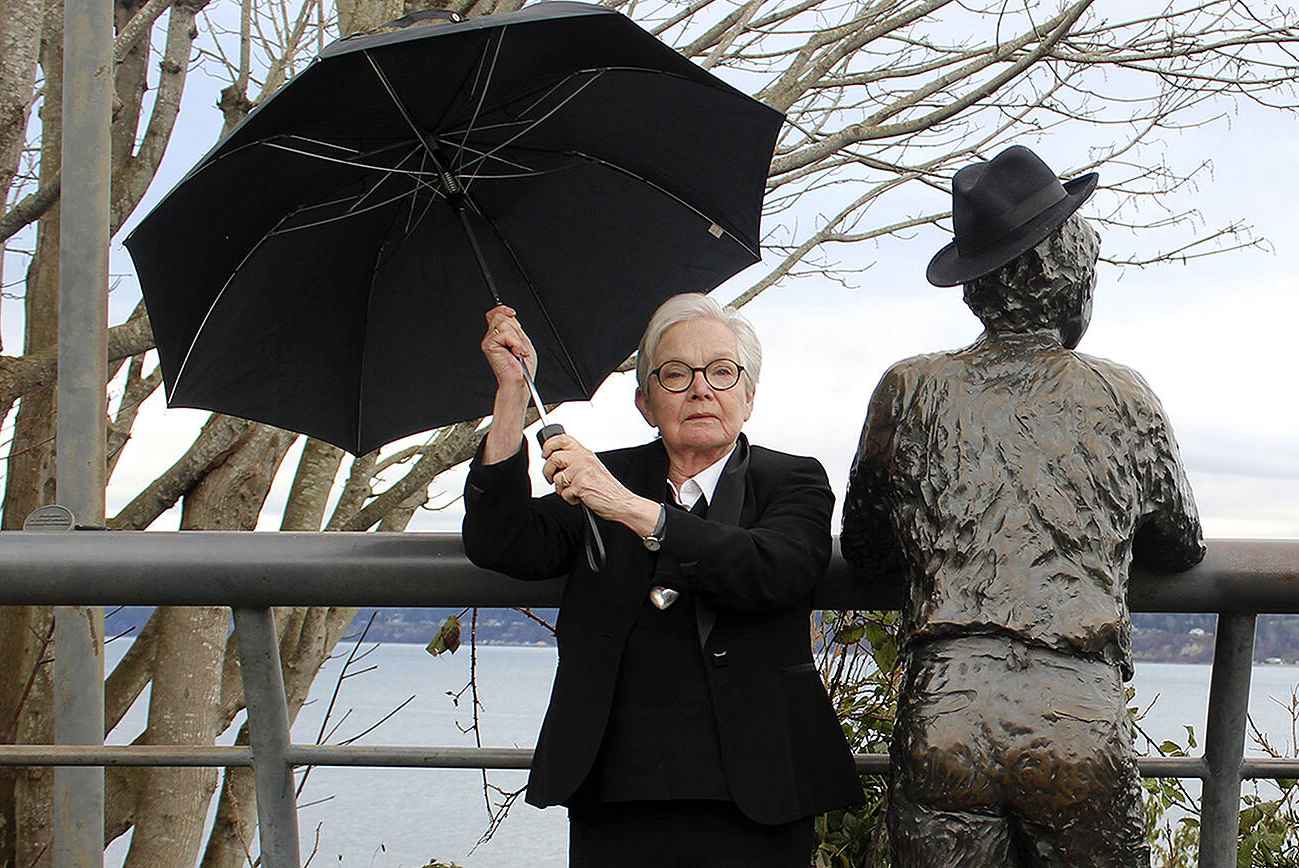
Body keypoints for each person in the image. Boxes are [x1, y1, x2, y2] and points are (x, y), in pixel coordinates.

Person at [841, 145, 1206, 867]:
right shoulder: (1122, 395)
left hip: (944, 704)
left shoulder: (908, 388)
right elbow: (1181, 542)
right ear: (1073, 279)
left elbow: (866, 546)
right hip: (1075, 711)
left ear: (975, 287)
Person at [463, 293, 863, 867]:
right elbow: (500, 541)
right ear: (646, 403)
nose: (701, 389)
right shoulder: (605, 475)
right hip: (615, 787)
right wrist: (509, 398)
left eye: (723, 372)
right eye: (675, 375)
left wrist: (631, 510)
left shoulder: (791, 479)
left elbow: (774, 570)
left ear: (749, 398)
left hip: (759, 786)